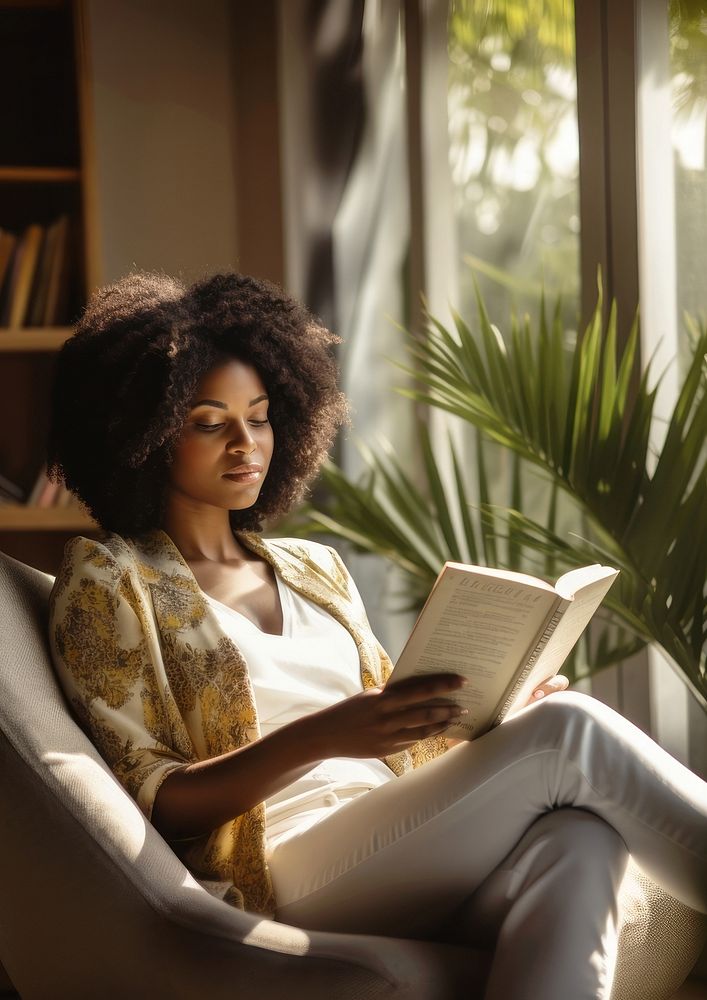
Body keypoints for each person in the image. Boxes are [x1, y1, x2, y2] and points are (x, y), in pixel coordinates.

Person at [47, 271, 706, 1000]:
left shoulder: (314, 568)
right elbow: (153, 797)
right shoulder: (109, 580)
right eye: (209, 423)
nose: (245, 443)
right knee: (570, 731)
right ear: (146, 433)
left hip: (394, 842)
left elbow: (400, 745)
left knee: (580, 841)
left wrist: (492, 715)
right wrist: (324, 735)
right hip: (281, 864)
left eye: (260, 417)